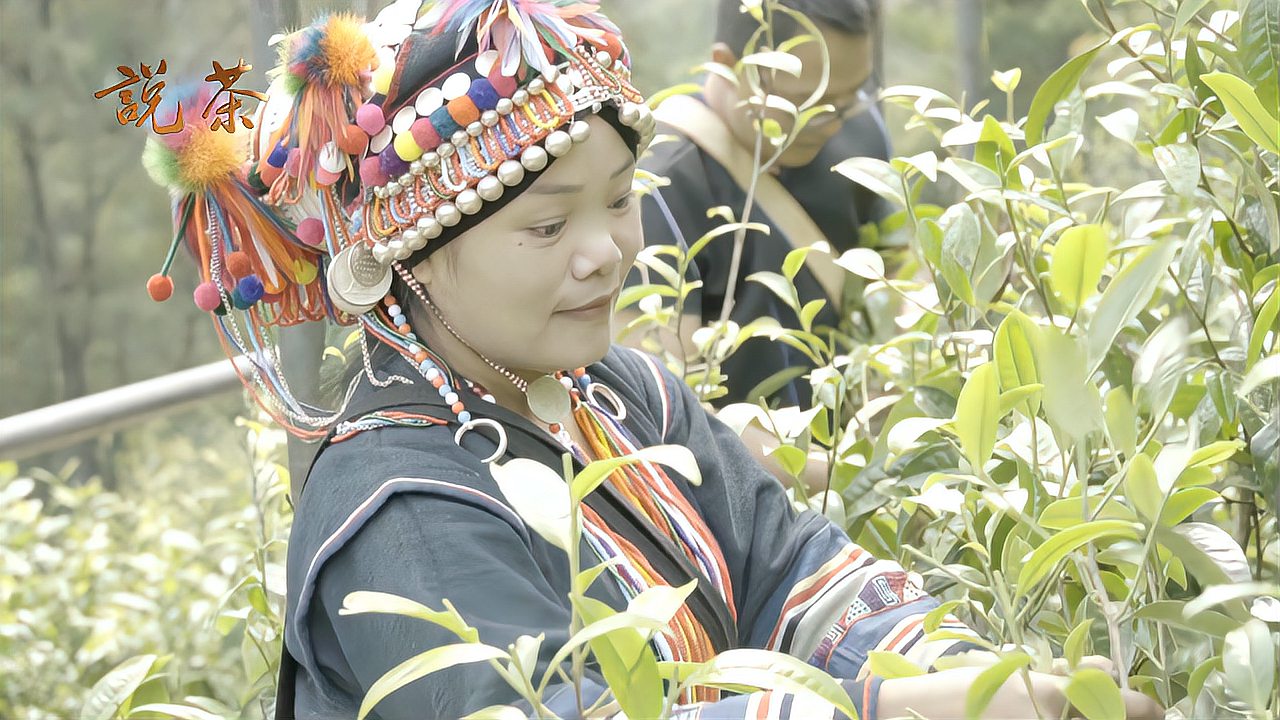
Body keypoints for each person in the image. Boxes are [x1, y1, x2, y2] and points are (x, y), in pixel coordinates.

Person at [141, 1, 1163, 718]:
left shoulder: (619, 394)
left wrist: (966, 679)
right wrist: (889, 711)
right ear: (409, 260)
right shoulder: (396, 511)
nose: (610, 251)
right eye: (547, 227)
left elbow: (793, 568)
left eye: (620, 199)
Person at [626, 0, 892, 408]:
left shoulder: (860, 138)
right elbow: (665, 406)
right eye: (808, 104)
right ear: (729, 65)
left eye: (850, 98)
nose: (834, 122)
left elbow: (895, 275)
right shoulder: (662, 183)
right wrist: (838, 472)